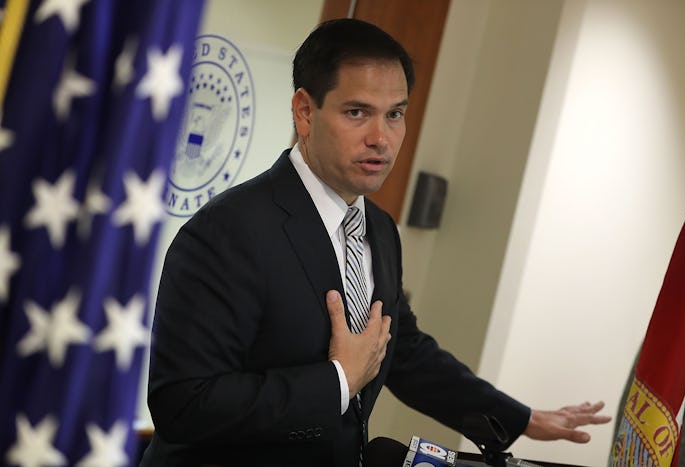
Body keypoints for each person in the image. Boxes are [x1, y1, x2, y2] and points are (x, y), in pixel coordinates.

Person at [140, 18, 610, 467]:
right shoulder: (227, 231)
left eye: (396, 115)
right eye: (357, 112)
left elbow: (400, 349)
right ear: (305, 111)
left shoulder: (379, 229)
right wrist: (338, 381)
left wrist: (520, 418)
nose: (381, 139)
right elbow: (184, 404)